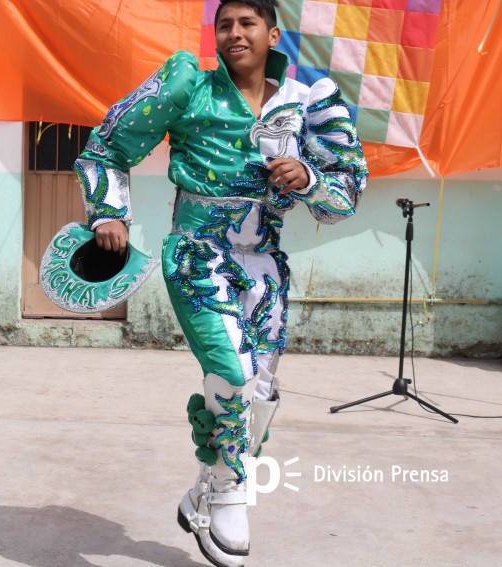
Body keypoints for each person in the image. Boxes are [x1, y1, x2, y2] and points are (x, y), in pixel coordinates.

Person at [74, 1, 367, 565]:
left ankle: (205, 488)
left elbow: (344, 198)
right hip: (197, 254)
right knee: (230, 372)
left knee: (260, 393)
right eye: (225, 25)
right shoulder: (188, 84)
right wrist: (107, 212)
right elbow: (106, 145)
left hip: (264, 263)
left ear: (272, 33)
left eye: (246, 24)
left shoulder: (310, 101)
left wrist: (307, 178)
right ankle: (231, 493)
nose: (234, 34)